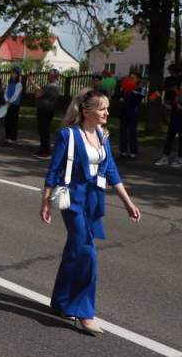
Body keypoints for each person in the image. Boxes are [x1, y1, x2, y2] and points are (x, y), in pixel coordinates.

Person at [40, 90, 140, 335]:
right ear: (86, 111)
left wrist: (127, 202)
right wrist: (45, 202)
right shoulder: (68, 135)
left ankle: (61, 302)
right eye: (102, 108)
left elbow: (112, 172)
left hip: (94, 200)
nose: (107, 112)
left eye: (107, 108)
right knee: (87, 252)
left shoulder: (103, 135)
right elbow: (54, 170)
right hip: (72, 201)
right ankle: (84, 313)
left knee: (74, 250)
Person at [155, 78, 182, 167]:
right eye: (181, 85)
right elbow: (172, 106)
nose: (181, 87)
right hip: (174, 120)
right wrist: (166, 105)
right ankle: (165, 157)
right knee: (169, 138)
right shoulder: (178, 96)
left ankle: (180, 159)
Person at [34, 69, 60, 158]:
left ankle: (45, 151)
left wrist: (36, 88)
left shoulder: (51, 86)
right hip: (47, 110)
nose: (48, 76)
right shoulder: (54, 86)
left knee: (44, 130)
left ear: (54, 76)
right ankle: (43, 150)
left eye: (50, 75)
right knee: (43, 130)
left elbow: (38, 94)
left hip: (45, 111)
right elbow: (40, 92)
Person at [117, 72, 144, 159]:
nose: (131, 79)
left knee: (132, 132)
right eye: (130, 77)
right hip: (124, 112)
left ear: (138, 79)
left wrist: (132, 91)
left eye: (133, 78)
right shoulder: (124, 88)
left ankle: (133, 152)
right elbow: (118, 96)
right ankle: (123, 151)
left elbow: (140, 97)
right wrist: (120, 98)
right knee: (123, 132)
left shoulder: (139, 89)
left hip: (133, 113)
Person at [2, 67, 23, 144]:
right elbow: (6, 92)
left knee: (13, 121)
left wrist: (9, 102)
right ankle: (7, 137)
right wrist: (6, 100)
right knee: (7, 120)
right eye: (12, 72)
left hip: (14, 105)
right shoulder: (10, 82)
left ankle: (13, 137)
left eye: (14, 73)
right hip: (8, 103)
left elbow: (16, 95)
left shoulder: (19, 84)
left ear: (17, 75)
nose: (12, 74)